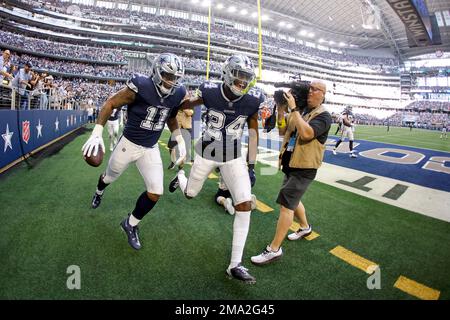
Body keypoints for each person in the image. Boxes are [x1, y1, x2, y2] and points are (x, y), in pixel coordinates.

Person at [168, 54, 264, 284]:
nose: (243, 82)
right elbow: (184, 105)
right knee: (190, 194)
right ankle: (180, 176)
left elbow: (253, 132)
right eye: (239, 76)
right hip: (207, 151)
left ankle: (235, 265)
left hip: (232, 155)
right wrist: (171, 110)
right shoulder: (210, 91)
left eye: (247, 77)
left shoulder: (253, 98)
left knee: (244, 205)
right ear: (228, 73)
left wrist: (251, 165)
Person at [82, 53, 187, 250]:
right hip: (128, 144)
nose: (171, 81)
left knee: (156, 191)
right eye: (167, 75)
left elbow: (170, 116)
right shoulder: (141, 86)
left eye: (175, 77)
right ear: (156, 71)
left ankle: (130, 224)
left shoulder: (178, 93)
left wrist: (179, 137)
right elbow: (111, 103)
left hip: (151, 147)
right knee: (109, 177)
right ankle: (99, 191)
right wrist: (97, 132)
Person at [251, 80, 331, 265]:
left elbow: (307, 134)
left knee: (286, 206)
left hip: (304, 167)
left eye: (314, 89)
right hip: (291, 163)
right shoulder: (303, 112)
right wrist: (280, 110)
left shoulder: (324, 116)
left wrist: (294, 110)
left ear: (323, 94)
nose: (309, 92)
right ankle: (305, 227)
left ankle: (274, 249)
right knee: (293, 200)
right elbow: (282, 131)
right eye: (309, 88)